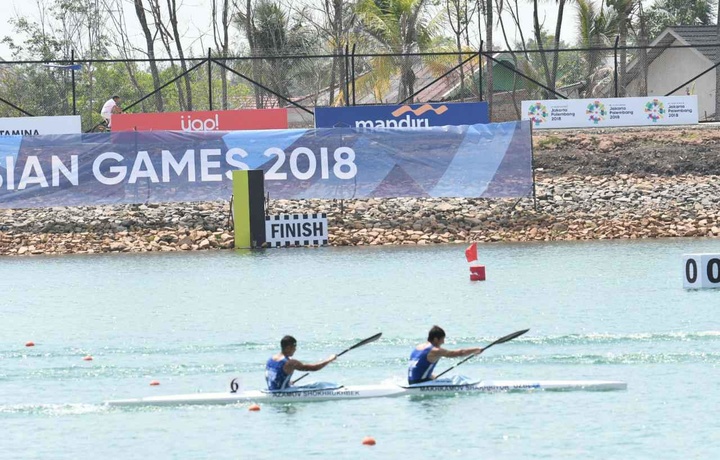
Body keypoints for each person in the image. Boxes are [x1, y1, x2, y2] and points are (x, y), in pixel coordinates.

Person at [407, 325, 484, 385]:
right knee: (458, 378)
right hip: (421, 383)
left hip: (411, 382)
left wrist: (430, 376)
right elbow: (460, 353)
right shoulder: (435, 350)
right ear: (436, 339)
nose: (443, 342)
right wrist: (476, 349)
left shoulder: (418, 347)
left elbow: (419, 367)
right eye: (442, 339)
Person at [265, 335, 337, 391]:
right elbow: (314, 368)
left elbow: (274, 378)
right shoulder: (290, 363)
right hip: (282, 392)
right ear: (288, 348)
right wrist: (329, 359)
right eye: (294, 347)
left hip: (272, 390)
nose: (295, 349)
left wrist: (287, 383)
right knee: (320, 384)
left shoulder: (271, 359)